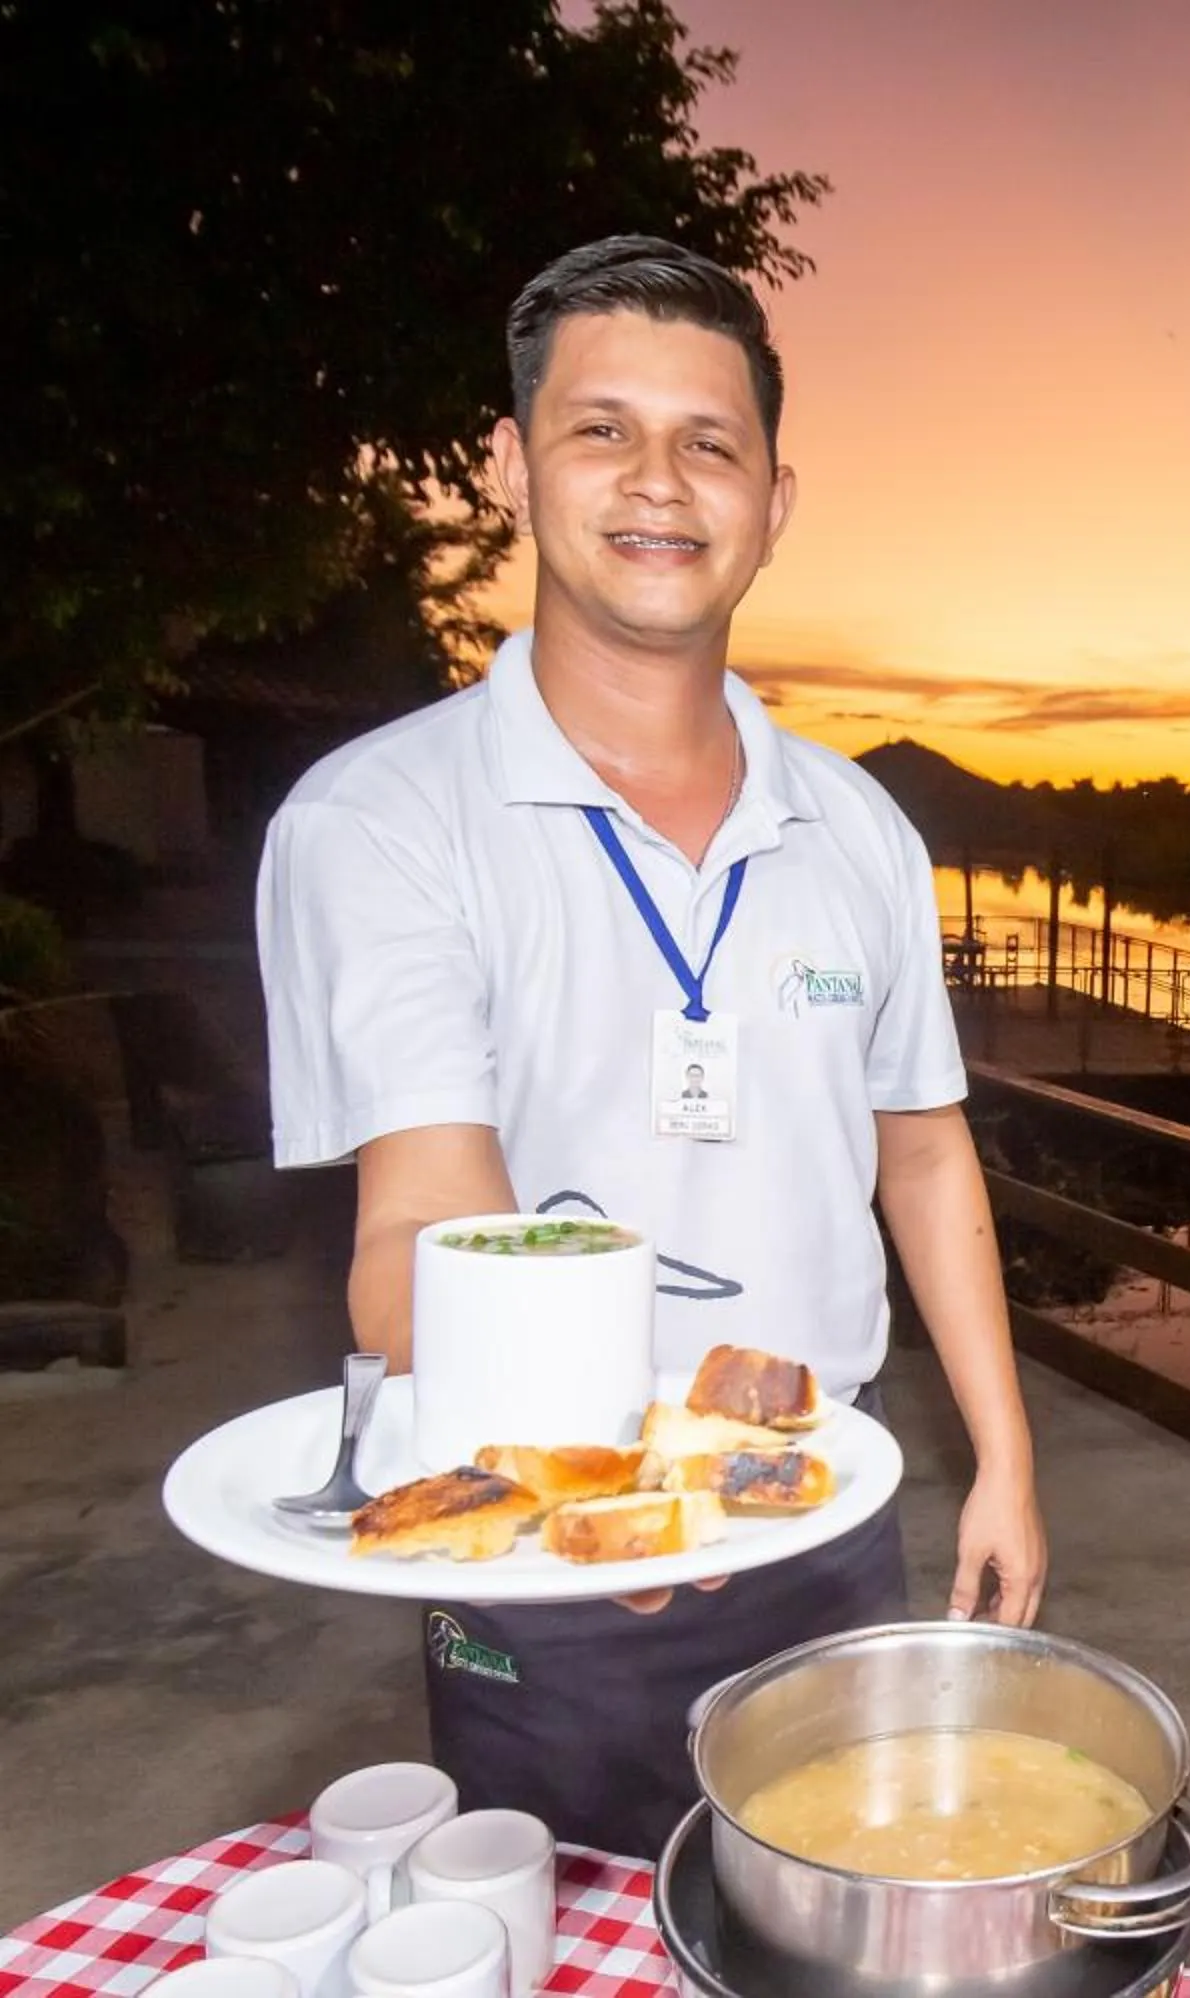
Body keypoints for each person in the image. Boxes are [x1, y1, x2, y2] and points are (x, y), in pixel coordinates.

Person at [256, 235, 1047, 1859]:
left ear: (776, 498)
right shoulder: (384, 820)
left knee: (835, 1901)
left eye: (711, 441)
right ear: (515, 464)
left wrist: (1006, 1458)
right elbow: (418, 1230)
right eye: (600, 428)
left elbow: (923, 1148)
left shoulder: (861, 829)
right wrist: (632, 1474)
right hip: (535, 1526)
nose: (660, 482)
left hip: (829, 1510)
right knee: (559, 1913)